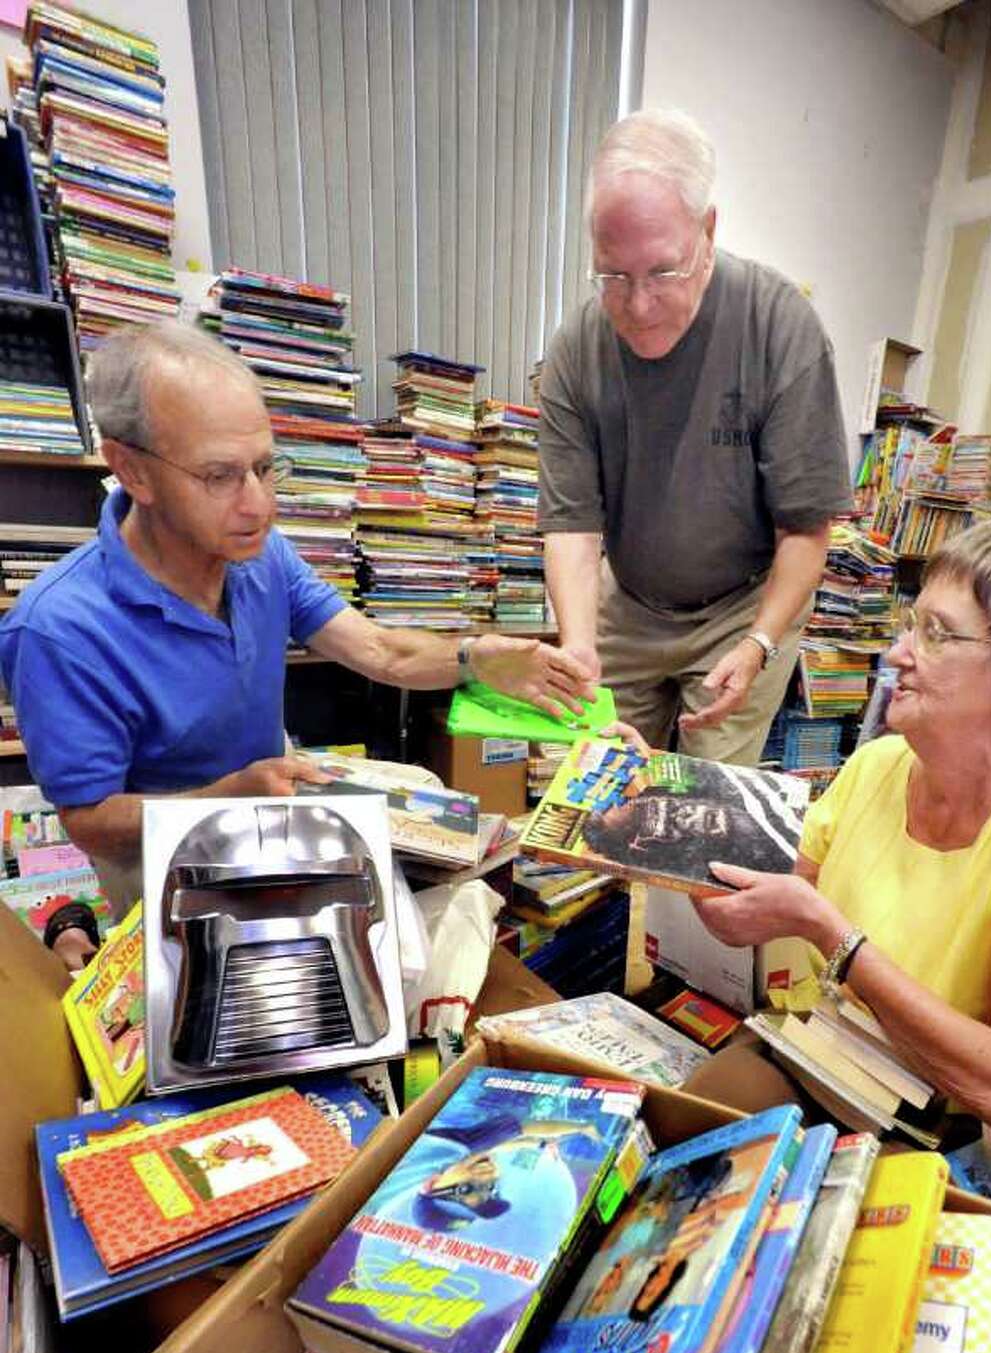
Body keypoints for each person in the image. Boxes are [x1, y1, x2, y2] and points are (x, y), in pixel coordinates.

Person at [0, 324, 589, 914]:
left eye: (263, 467)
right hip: (163, 855)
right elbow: (93, 822)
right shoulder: (58, 629)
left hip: (267, 800)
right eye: (220, 476)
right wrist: (228, 799)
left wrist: (475, 658)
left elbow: (379, 650)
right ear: (131, 470)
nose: (259, 504)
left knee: (435, 839)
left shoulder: (259, 554)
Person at [696, 520, 991, 1150]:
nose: (897, 653)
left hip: (942, 1122)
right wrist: (655, 797)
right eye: (911, 624)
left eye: (937, 634)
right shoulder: (879, 763)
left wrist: (836, 939)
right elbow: (750, 905)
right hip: (825, 1058)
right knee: (690, 1123)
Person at [538, 107, 852, 766]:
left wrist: (760, 642)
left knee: (702, 796)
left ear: (707, 231)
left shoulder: (779, 327)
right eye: (613, 276)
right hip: (629, 600)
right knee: (599, 777)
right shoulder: (575, 350)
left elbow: (806, 531)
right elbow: (572, 527)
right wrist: (577, 644)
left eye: (662, 273)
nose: (638, 305)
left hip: (742, 608)